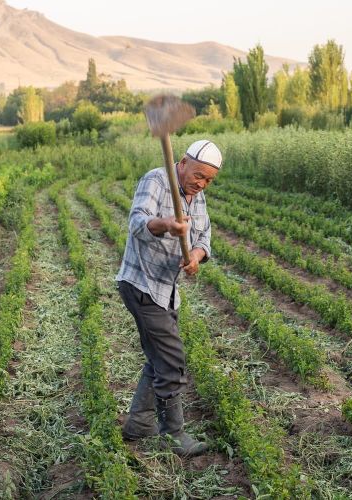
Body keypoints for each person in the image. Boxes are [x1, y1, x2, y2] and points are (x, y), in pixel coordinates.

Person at [115, 139, 221, 457]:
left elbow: (203, 236)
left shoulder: (196, 195)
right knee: (172, 361)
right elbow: (136, 222)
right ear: (184, 162)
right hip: (143, 284)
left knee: (158, 359)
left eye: (209, 180)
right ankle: (173, 435)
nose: (201, 183)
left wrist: (196, 257)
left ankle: (138, 424)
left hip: (167, 289)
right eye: (199, 175)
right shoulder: (157, 180)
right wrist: (166, 226)